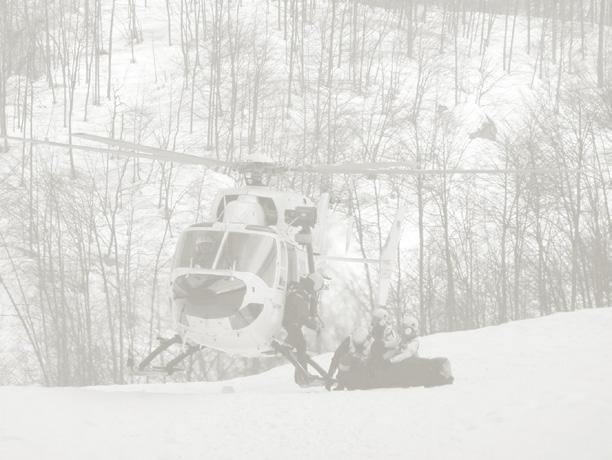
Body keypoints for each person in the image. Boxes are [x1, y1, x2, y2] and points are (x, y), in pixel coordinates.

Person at [282, 272, 324, 384]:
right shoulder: (300, 295)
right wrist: (315, 326)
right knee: (301, 345)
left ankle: (302, 376)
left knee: (301, 346)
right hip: (292, 323)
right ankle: (302, 377)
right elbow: (304, 317)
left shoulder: (299, 291)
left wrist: (313, 304)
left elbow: (306, 313)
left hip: (292, 323)